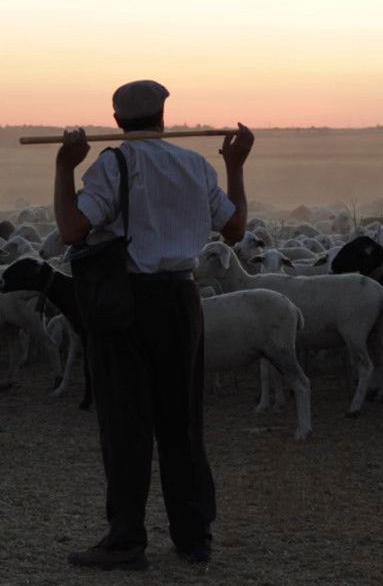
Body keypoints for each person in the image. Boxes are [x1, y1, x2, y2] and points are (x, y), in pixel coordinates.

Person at [53, 79, 253, 571]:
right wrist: (234, 166)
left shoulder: (114, 164)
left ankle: (125, 541)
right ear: (164, 117)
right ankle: (193, 537)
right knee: (182, 422)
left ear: (118, 121)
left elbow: (72, 230)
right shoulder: (194, 165)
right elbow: (235, 228)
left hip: (126, 303)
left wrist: (63, 168)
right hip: (183, 301)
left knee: (126, 424)